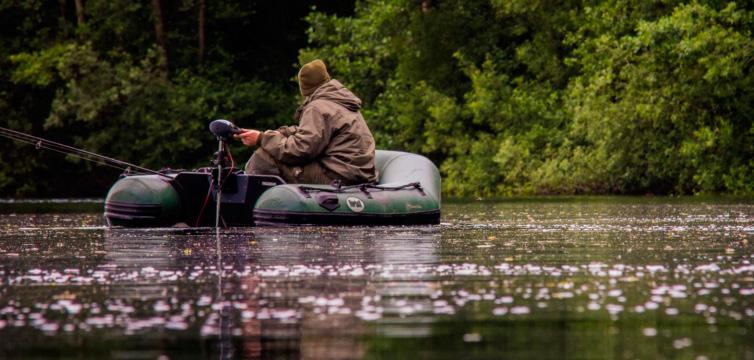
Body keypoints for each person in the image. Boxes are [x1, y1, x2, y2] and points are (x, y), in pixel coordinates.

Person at [234, 59, 377, 185]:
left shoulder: (317, 107)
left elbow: (300, 151)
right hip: (355, 174)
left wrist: (261, 139)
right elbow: (316, 133)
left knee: (266, 157)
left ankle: (251, 212)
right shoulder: (342, 101)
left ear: (304, 87)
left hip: (339, 177)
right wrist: (281, 133)